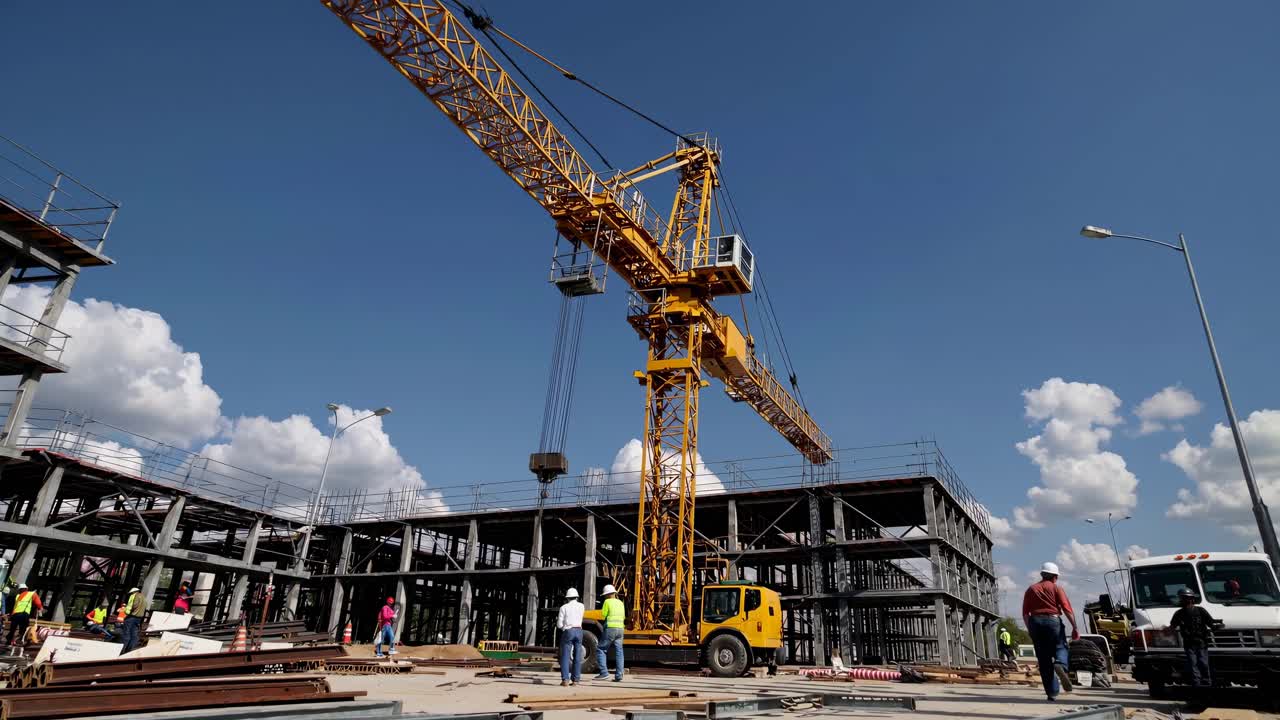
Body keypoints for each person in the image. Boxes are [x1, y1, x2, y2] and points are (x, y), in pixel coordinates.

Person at [1022, 562, 1079, 701]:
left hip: (1035, 621)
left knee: (1043, 659)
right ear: (1055, 577)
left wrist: (1030, 629)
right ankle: (1060, 664)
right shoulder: (1056, 588)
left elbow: (1025, 613)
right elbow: (1066, 609)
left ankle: (1052, 693)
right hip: (1053, 621)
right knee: (1061, 647)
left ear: (1042, 574)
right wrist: (1075, 627)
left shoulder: (1031, 589)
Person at [1167, 587, 1219, 688]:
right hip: (1189, 644)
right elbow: (1172, 627)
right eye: (1182, 598)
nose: (1182, 600)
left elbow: (1211, 623)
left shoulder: (1201, 611)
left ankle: (1207, 685)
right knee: (1193, 665)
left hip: (1201, 643)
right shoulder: (1179, 613)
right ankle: (1197, 687)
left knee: (1203, 664)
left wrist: (1217, 627)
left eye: (1185, 598)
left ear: (1191, 599)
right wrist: (1165, 631)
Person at [593, 584, 625, 682]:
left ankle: (604, 673)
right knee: (619, 651)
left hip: (610, 628)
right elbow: (623, 617)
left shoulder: (607, 602)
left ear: (607, 595)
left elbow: (603, 615)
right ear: (614, 593)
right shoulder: (620, 602)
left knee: (601, 649)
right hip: (620, 629)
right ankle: (619, 675)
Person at [556, 588, 584, 687]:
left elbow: (559, 624)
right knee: (577, 656)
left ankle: (565, 680)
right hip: (579, 631)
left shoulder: (564, 607)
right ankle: (576, 680)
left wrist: (563, 627)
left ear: (567, 598)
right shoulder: (582, 606)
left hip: (568, 631)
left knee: (565, 656)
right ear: (577, 597)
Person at [121, 586, 149, 653]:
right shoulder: (143, 597)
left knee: (126, 634)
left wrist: (126, 611)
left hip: (131, 617)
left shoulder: (134, 595)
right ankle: (128, 651)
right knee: (134, 635)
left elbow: (133, 605)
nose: (130, 594)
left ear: (133, 592)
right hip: (138, 618)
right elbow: (145, 606)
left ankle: (121, 650)